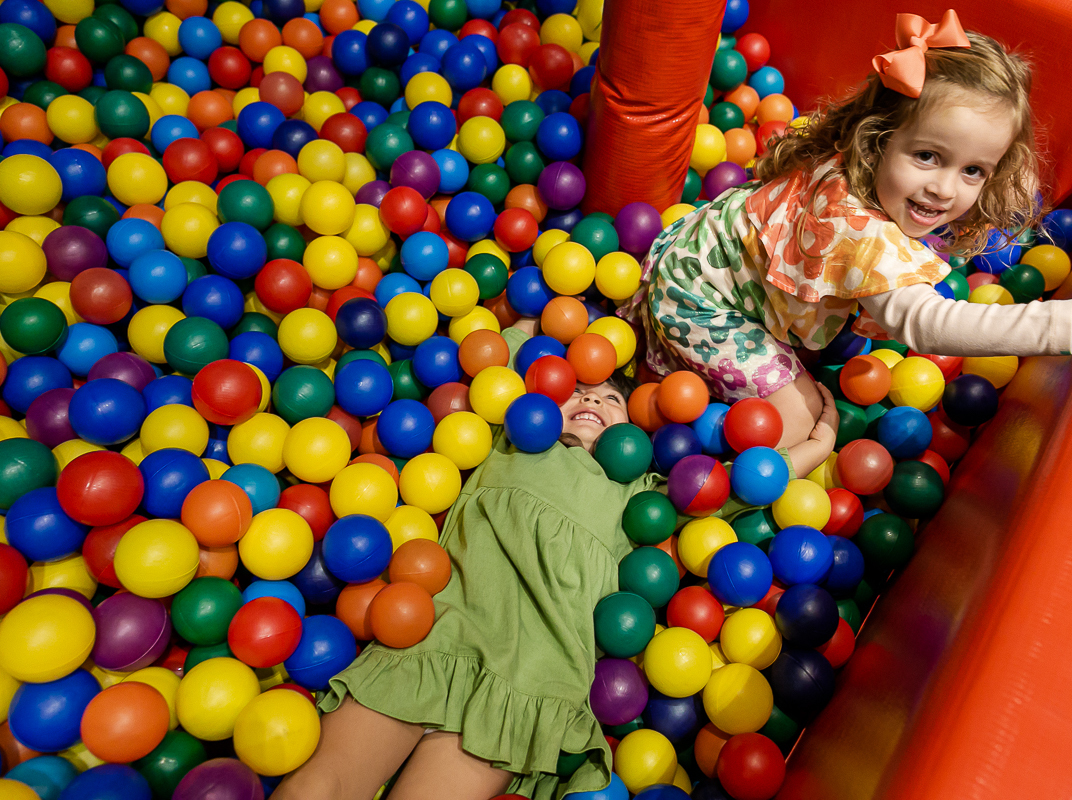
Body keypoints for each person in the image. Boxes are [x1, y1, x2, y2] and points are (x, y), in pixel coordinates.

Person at [620, 9, 1072, 477]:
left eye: (974, 171)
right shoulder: (858, 233)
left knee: (817, 394)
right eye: (928, 157)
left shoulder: (868, 164)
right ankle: (699, 449)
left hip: (708, 251)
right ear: (880, 139)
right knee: (798, 424)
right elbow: (930, 324)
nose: (945, 188)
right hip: (700, 300)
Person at [274, 324, 778, 800]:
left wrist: (820, 441)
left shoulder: (639, 496)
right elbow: (506, 347)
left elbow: (736, 483)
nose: (591, 399)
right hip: (435, 638)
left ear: (637, 435)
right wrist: (561, 320)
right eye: (578, 389)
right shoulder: (511, 436)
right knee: (316, 789)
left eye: (610, 399)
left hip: (531, 679)